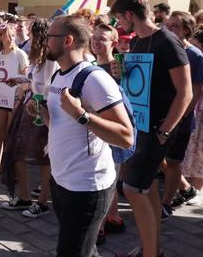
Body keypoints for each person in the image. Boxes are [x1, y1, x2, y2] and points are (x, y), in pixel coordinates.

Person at [40, 15, 134, 257]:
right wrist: (42, 112)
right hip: (61, 181)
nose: (45, 41)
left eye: (50, 36)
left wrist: (81, 114)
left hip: (87, 188)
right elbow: (60, 126)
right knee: (85, 250)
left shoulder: (94, 79)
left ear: (67, 40)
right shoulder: (58, 76)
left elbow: (125, 136)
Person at [110, 0, 192, 257]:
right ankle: (151, 249)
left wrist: (165, 130)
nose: (119, 25)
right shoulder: (138, 42)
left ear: (129, 15)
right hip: (140, 125)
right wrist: (122, 73)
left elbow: (186, 92)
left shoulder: (168, 41)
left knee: (133, 188)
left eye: (120, 19)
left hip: (158, 128)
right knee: (146, 190)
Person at [1, 18, 55, 217]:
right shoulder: (36, 55)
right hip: (31, 106)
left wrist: (32, 90)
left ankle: (43, 202)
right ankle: (24, 197)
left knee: (43, 157)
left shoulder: (50, 58)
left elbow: (48, 85)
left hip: (43, 108)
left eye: (32, 31)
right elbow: (34, 80)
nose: (29, 34)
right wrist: (19, 80)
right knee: (17, 150)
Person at [160, 11, 203, 219]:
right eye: (168, 25)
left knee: (173, 161)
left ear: (187, 30)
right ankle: (186, 190)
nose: (169, 30)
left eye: (175, 26)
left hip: (182, 119)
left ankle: (166, 203)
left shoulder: (194, 55)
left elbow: (196, 91)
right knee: (158, 158)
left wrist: (179, 116)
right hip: (161, 116)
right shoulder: (164, 49)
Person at [91, 24, 127, 244]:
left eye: (102, 39)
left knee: (107, 179)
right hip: (95, 130)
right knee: (107, 178)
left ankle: (101, 227)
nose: (96, 41)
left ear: (114, 43)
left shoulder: (119, 67)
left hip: (112, 131)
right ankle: (113, 217)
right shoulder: (91, 66)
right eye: (94, 38)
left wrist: (123, 78)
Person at [0, 22, 29, 183]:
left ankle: (11, 169)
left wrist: (20, 98)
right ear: (0, 37)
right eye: (5, 35)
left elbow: (26, 79)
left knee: (11, 136)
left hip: (15, 100)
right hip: (0, 99)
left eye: (12, 35)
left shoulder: (20, 55)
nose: (8, 38)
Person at [182, 25, 203, 205]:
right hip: (197, 112)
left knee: (202, 154)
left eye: (195, 44)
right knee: (192, 152)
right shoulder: (198, 62)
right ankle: (190, 188)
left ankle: (199, 190)